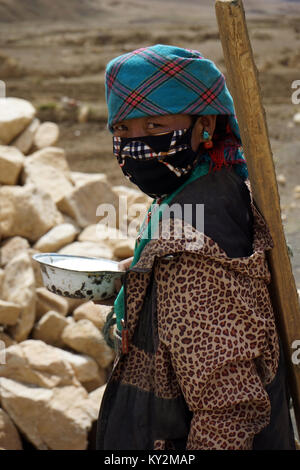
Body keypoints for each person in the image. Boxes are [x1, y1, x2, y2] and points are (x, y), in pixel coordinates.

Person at [96, 44, 295, 450]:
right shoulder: (209, 187)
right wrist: (140, 276)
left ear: (204, 126)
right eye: (122, 130)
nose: (137, 145)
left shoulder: (193, 250)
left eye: (154, 127)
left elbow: (229, 411)